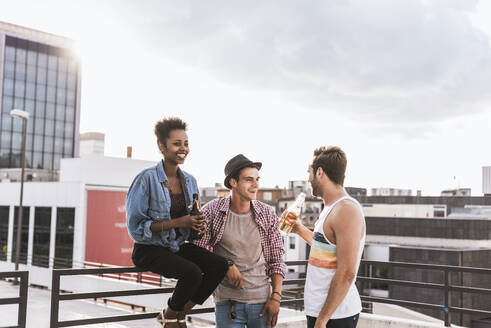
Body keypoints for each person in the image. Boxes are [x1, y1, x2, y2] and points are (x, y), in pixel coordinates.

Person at [126, 117, 229, 328]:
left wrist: (195, 227)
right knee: (191, 273)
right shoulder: (145, 179)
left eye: (186, 144)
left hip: (175, 246)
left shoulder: (190, 181)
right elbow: (136, 228)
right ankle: (173, 318)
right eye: (176, 143)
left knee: (219, 265)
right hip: (149, 249)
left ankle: (173, 314)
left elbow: (190, 224)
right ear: (161, 146)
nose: (183, 148)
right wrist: (179, 222)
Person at [194, 154, 286, 328]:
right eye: (249, 180)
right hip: (228, 304)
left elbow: (276, 259)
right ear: (233, 182)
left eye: (257, 179)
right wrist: (225, 264)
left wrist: (276, 297)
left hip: (262, 303)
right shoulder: (212, 211)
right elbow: (198, 252)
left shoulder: (267, 213)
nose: (256, 185)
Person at [286, 146, 366, 328]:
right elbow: (325, 246)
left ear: (320, 172)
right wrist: (299, 229)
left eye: (309, 172)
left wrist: (322, 319)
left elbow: (347, 272)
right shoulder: (331, 208)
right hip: (322, 313)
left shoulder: (346, 210)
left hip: (335, 316)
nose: (308, 179)